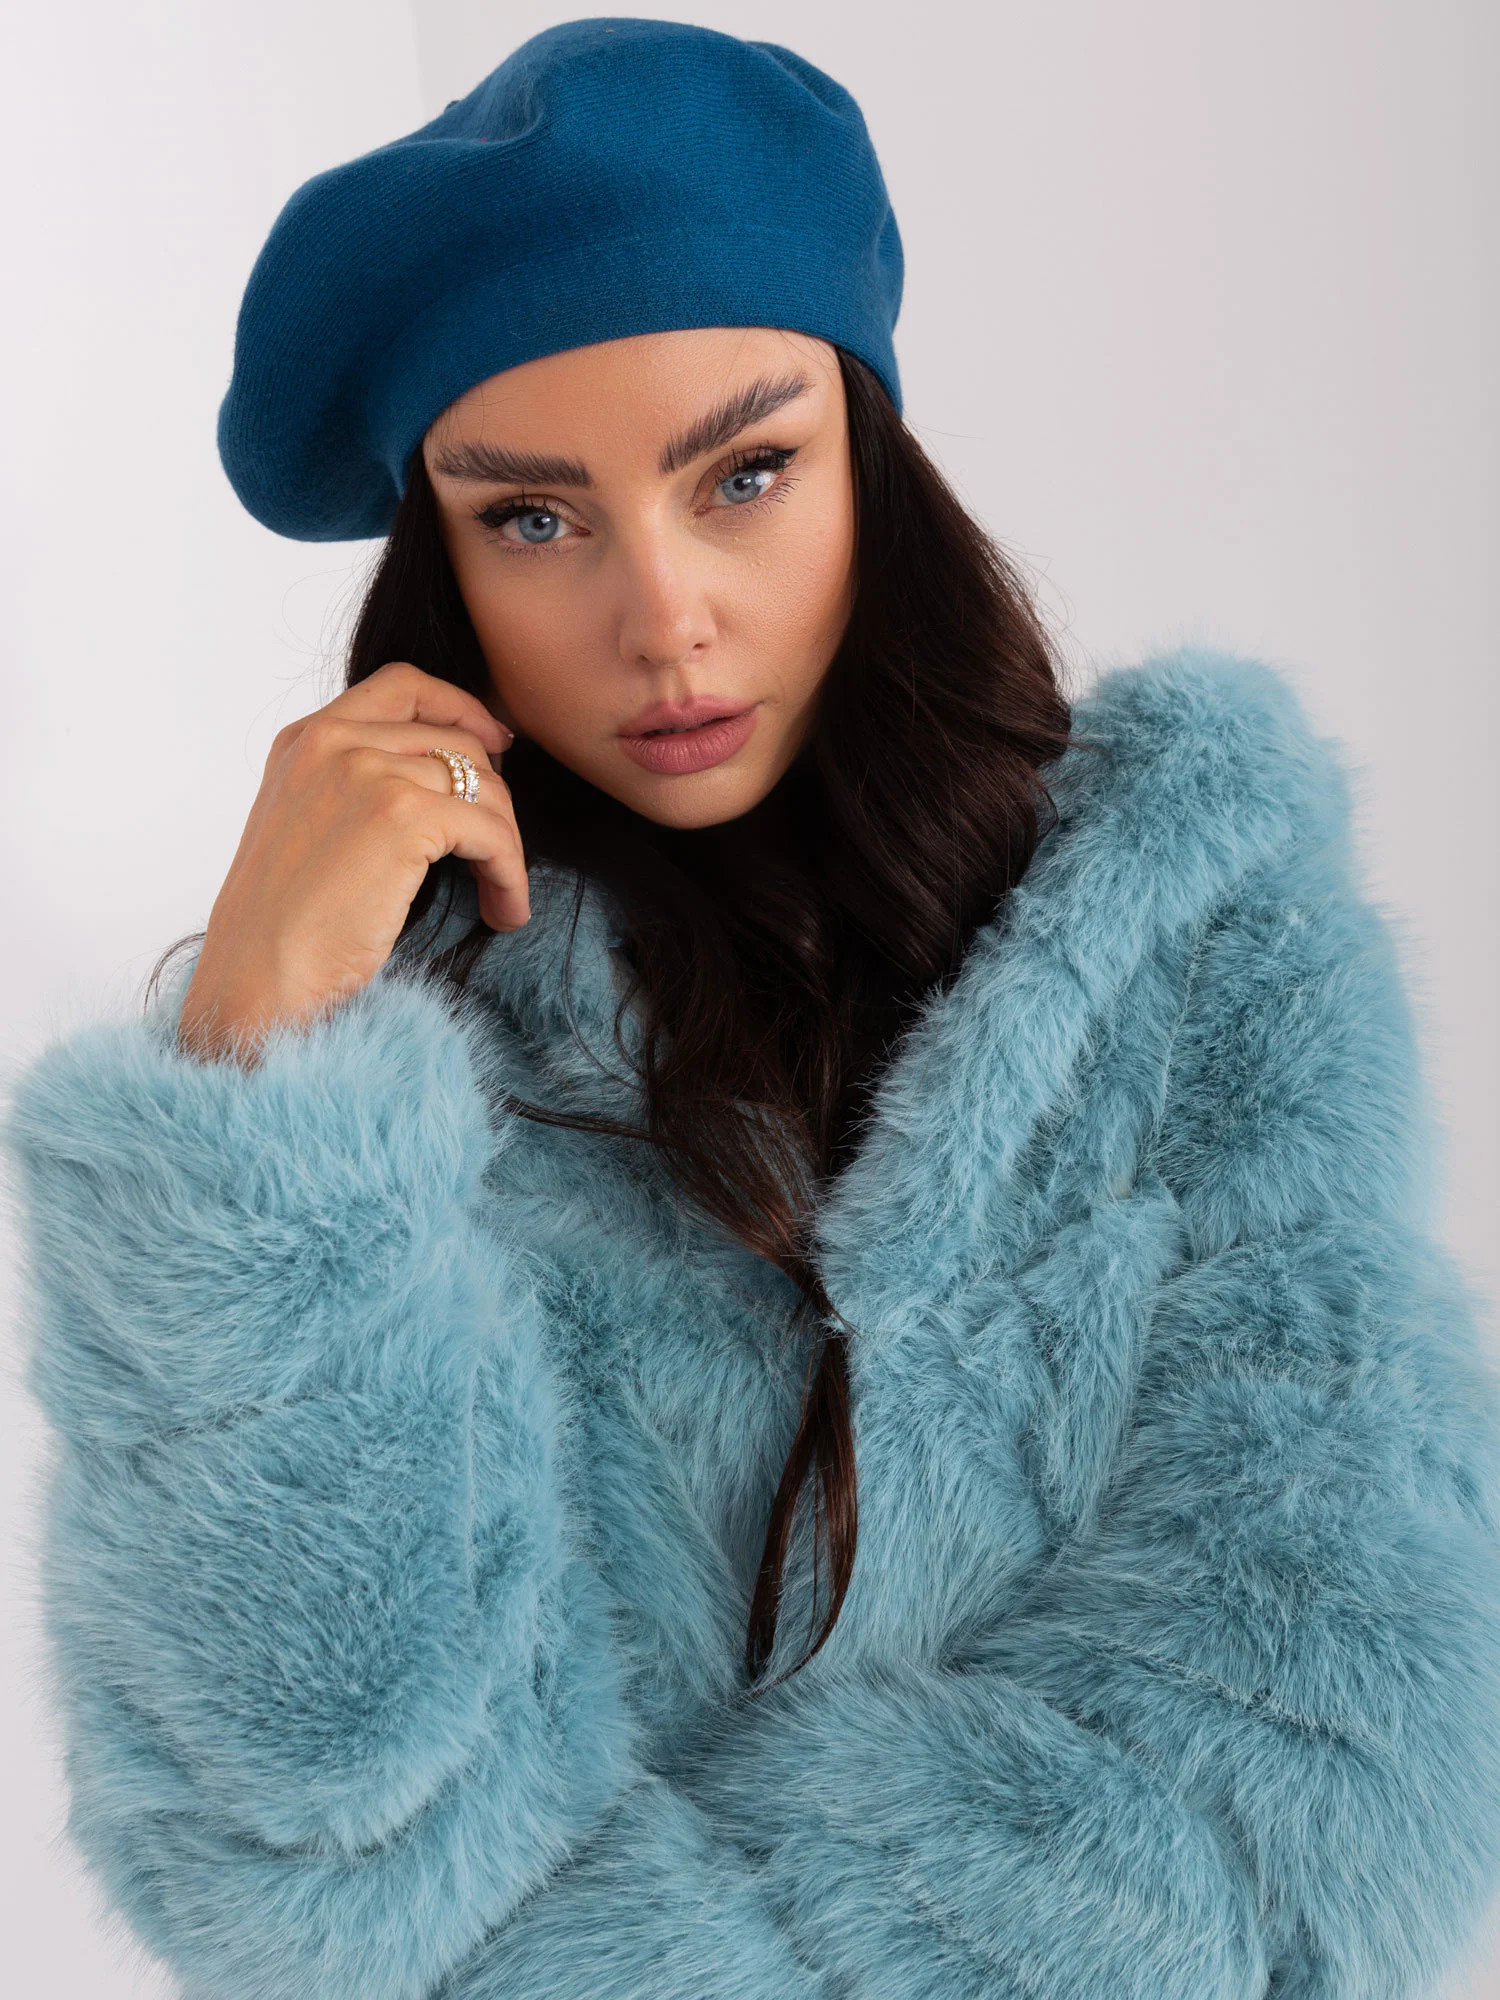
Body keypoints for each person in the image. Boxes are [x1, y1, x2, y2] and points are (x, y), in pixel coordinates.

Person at [5, 18, 1500, 2000]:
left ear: (871, 463)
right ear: (443, 569)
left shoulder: (1196, 942)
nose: (666, 617)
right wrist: (258, 1080)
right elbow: (307, 1871)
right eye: (534, 518)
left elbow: (1333, 1764)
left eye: (746, 472)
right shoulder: (388, 1111)